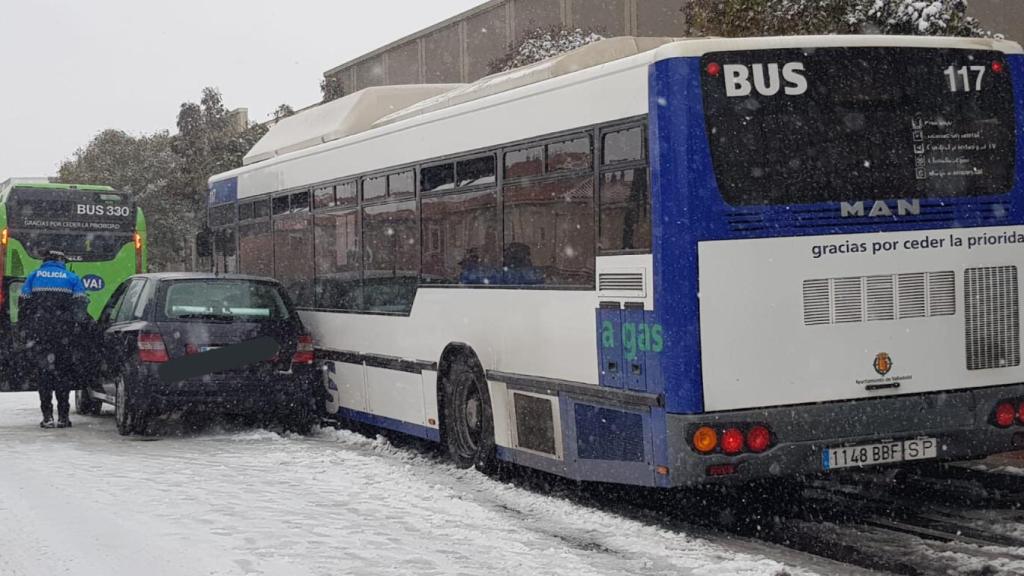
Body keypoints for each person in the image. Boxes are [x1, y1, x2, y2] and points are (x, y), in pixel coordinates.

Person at [18, 249, 90, 429]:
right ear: (60, 260)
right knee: (63, 374)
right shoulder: (72, 278)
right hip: (64, 335)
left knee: (44, 374)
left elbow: (23, 305)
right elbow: (81, 308)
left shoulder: (33, 276)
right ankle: (63, 417)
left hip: (39, 335)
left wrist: (25, 330)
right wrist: (77, 328)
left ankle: (47, 416)